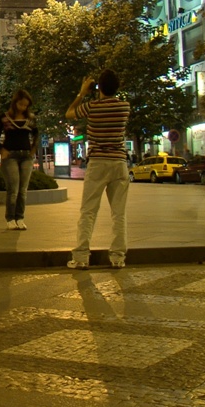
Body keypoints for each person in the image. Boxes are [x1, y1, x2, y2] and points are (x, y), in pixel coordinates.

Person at [65, 70, 131, 269]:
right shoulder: (124, 106)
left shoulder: (91, 107)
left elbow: (69, 114)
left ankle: (81, 257)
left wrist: (81, 93)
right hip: (119, 163)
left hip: (97, 163)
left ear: (98, 88)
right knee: (119, 213)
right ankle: (118, 257)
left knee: (89, 211)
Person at [0, 89, 39, 231]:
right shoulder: (4, 118)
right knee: (13, 189)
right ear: (15, 103)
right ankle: (10, 218)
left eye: (26, 105)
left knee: (23, 190)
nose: (23, 107)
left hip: (26, 156)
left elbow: (36, 134)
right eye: (21, 104)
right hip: (10, 155)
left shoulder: (30, 119)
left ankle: (20, 217)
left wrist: (33, 149)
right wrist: (1, 149)